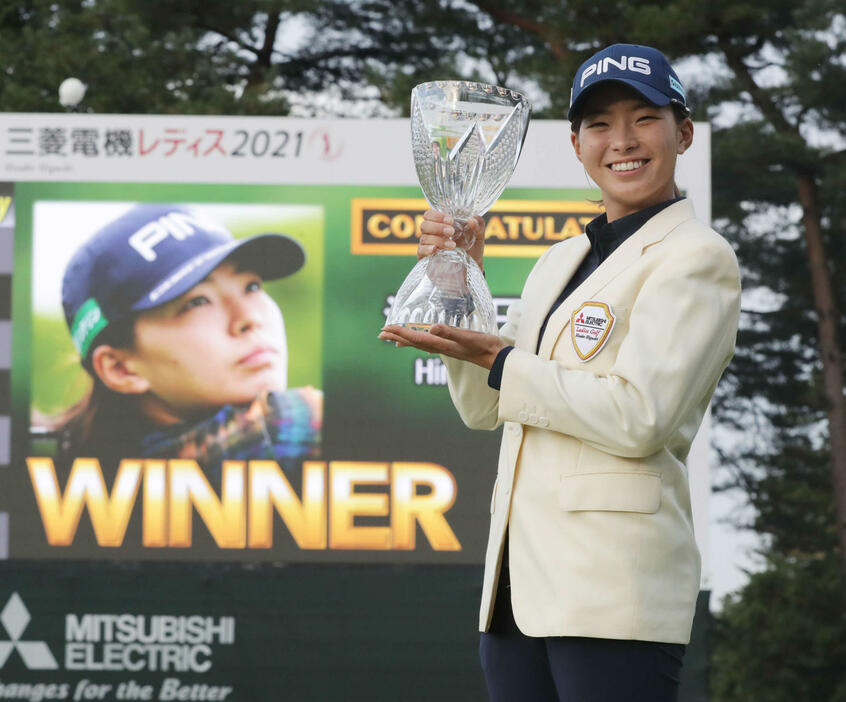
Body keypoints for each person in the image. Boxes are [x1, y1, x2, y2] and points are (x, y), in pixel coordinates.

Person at [380, 43, 741, 701]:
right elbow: (484, 407)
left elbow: (640, 418)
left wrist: (500, 359)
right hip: (517, 590)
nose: (622, 141)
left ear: (682, 132)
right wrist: (461, 281)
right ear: (576, 144)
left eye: (644, 118)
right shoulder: (560, 259)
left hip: (614, 590)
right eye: (600, 124)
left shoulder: (697, 257)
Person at [47, 203, 321, 477]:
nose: (249, 318)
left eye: (251, 286)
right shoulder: (286, 427)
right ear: (121, 368)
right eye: (198, 302)